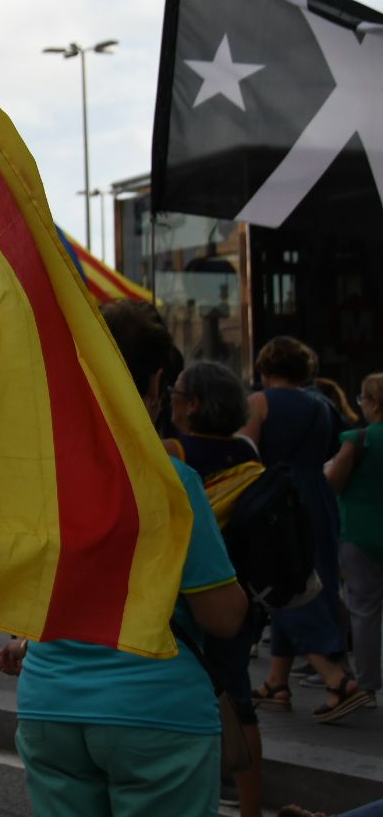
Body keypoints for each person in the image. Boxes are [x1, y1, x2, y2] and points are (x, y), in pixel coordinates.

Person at [0, 300, 247, 817]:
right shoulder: (170, 483)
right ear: (155, 385)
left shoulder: (35, 480)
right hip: (154, 711)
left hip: (49, 705)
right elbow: (222, 616)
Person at [242, 337, 365, 720]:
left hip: (278, 503)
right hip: (318, 499)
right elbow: (344, 445)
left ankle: (337, 680)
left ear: (265, 368)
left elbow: (249, 454)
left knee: (280, 586)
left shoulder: (259, 403)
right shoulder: (323, 405)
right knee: (313, 580)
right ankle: (277, 682)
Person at [168, 359, 268, 816]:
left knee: (188, 695)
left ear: (193, 404)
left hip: (188, 597)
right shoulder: (247, 453)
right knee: (239, 698)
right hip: (238, 589)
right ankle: (251, 808)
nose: (171, 400)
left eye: (177, 393)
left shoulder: (174, 454)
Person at [325, 372, 383, 710]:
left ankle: (367, 685)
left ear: (373, 403)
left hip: (361, 534)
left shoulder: (359, 439)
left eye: (363, 399)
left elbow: (332, 481)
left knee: (365, 612)